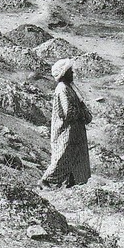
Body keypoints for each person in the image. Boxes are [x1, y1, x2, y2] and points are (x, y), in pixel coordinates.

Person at [39, 58, 92, 187]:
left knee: (76, 157)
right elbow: (68, 112)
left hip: (75, 131)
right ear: (64, 74)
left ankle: (71, 183)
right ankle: (46, 181)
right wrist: (81, 113)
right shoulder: (62, 89)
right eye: (70, 71)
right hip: (66, 131)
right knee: (63, 156)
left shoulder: (69, 88)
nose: (73, 73)